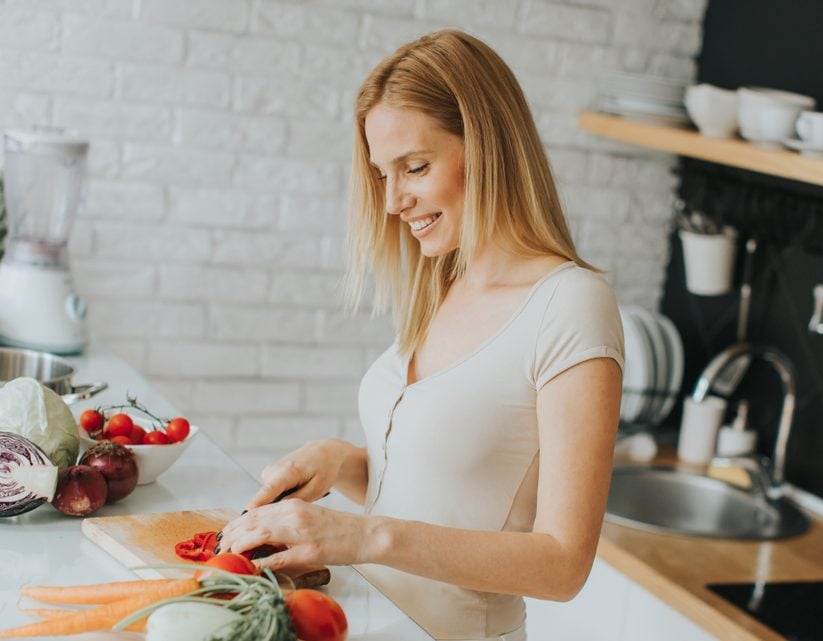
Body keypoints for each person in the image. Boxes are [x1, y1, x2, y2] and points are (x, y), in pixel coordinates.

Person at [217, 29, 624, 641]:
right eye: (384, 174)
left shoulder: (570, 306)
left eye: (414, 167)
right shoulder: (444, 283)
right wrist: (346, 461)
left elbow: (563, 564)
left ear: (488, 146)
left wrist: (362, 535)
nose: (392, 202)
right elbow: (449, 485)